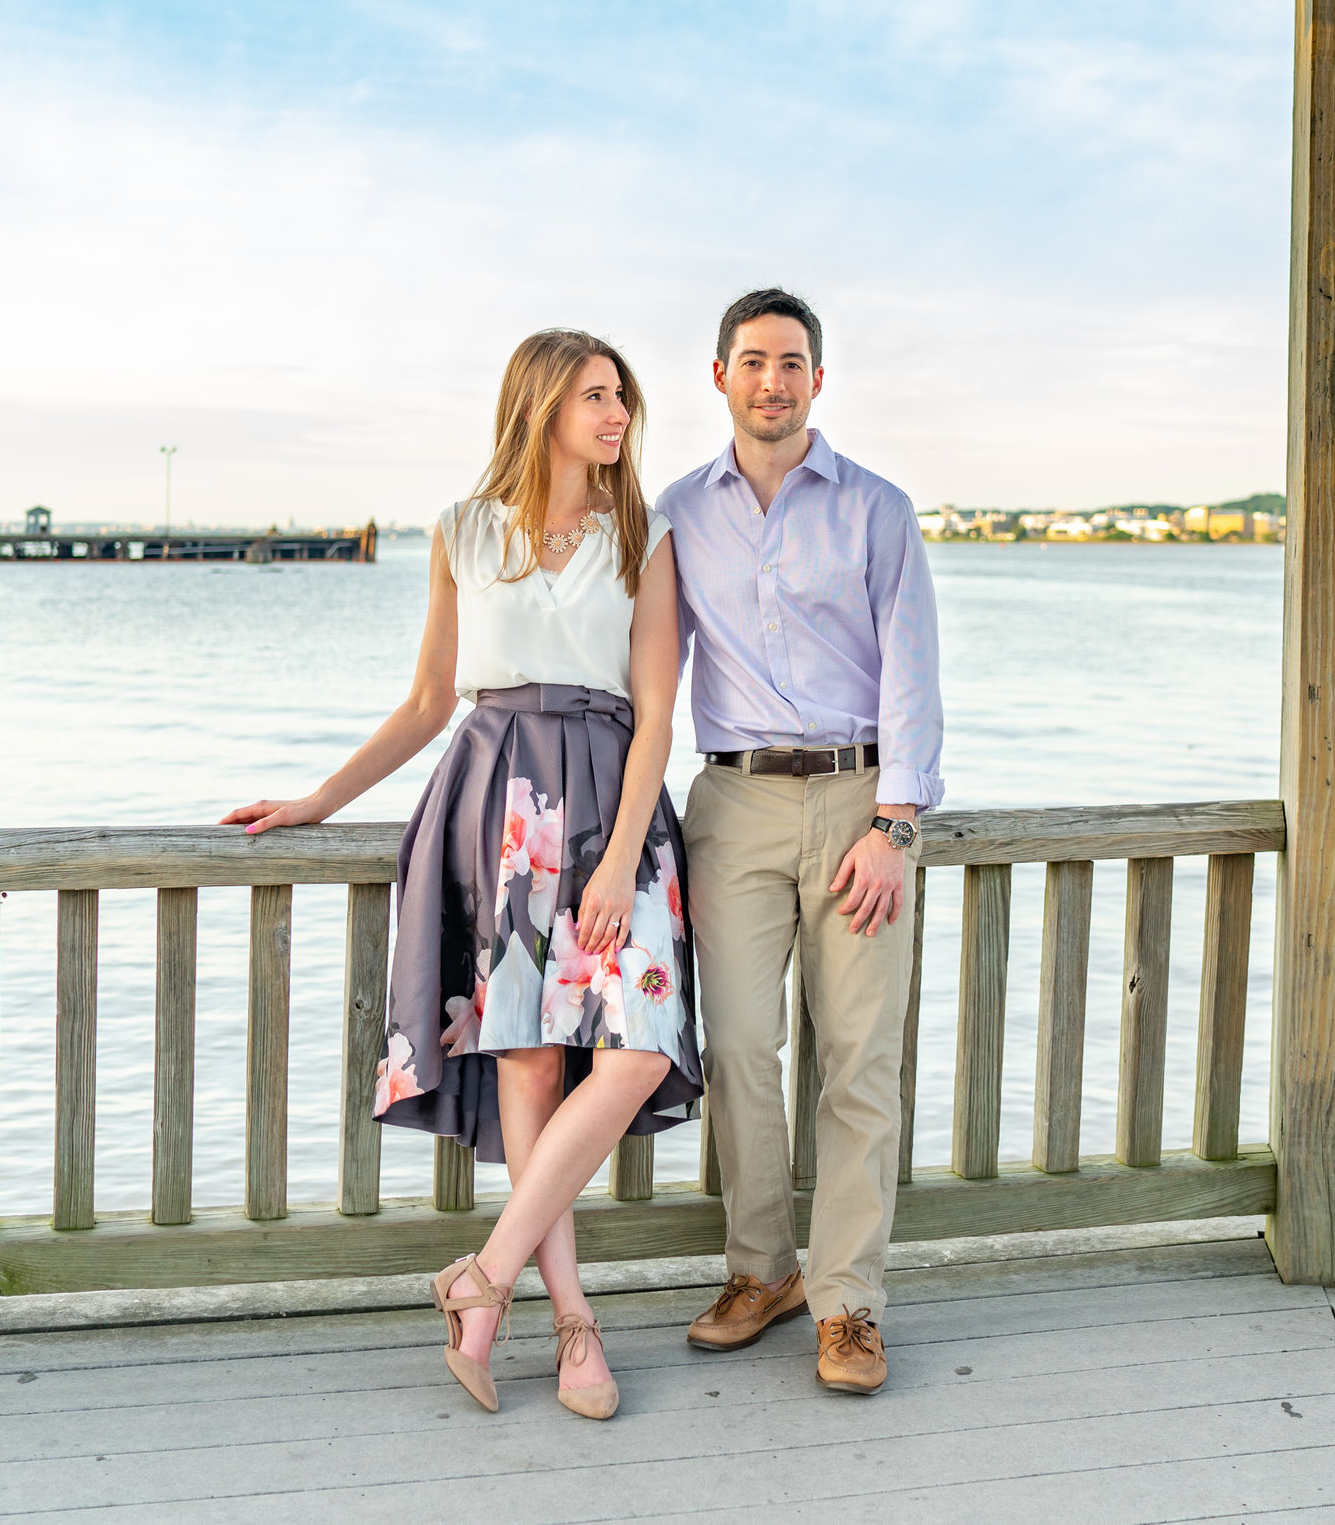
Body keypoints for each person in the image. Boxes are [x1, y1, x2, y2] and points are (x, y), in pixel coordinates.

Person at [223, 329, 699, 1421]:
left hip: (610, 811)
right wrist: (314, 802)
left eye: (622, 396)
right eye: (594, 395)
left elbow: (659, 710)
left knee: (632, 1052)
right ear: (539, 406)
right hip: (497, 803)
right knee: (530, 1064)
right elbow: (429, 703)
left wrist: (622, 858)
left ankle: (480, 1274)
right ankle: (570, 1324)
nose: (617, 413)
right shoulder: (462, 532)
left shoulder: (647, 533)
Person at [656, 288, 943, 1395]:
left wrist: (893, 822)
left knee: (860, 1063)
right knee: (734, 1046)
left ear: (817, 380)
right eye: (751, 360)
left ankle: (850, 1304)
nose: (771, 379)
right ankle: (759, 1272)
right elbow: (647, 673)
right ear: (719, 377)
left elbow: (912, 669)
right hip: (730, 809)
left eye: (790, 361)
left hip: (858, 800)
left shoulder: (876, 508)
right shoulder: (676, 514)